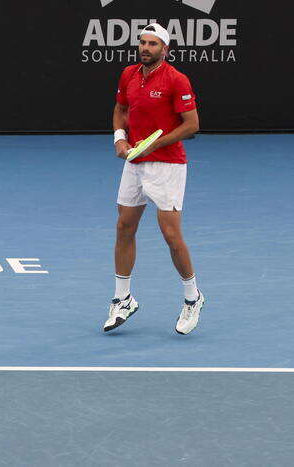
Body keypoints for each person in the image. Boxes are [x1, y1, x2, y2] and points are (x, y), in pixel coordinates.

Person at [103, 24, 204, 335]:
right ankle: (123, 299)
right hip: (135, 161)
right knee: (124, 226)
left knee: (171, 236)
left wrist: (155, 143)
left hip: (167, 165)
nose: (145, 48)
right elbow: (120, 110)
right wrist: (121, 139)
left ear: (165, 49)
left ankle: (193, 298)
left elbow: (192, 125)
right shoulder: (129, 74)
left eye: (152, 44)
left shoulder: (176, 79)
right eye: (142, 43)